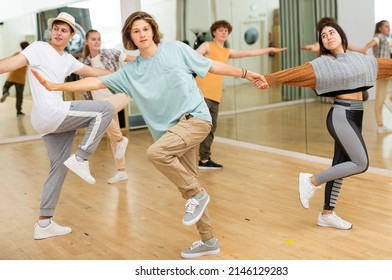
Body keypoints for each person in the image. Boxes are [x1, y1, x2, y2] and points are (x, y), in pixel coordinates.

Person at [31, 11, 267, 258]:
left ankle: (198, 194)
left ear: (153, 31)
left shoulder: (176, 49)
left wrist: (246, 73)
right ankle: (209, 240)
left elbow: (211, 66)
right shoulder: (131, 71)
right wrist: (56, 86)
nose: (141, 34)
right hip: (170, 133)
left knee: (159, 157)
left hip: (195, 119)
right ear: (130, 37)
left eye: (145, 29)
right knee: (188, 189)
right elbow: (94, 83)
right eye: (136, 31)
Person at [255, 22, 392, 229]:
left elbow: (381, 66)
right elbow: (297, 73)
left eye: (331, 32)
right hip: (341, 115)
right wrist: (270, 78)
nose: (328, 36)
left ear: (341, 35)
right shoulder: (324, 63)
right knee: (361, 163)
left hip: (356, 114)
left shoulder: (359, 58)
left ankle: (327, 214)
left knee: (340, 166)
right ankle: (311, 181)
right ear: (322, 43)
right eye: (324, 35)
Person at [0, 12, 129, 240]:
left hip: (47, 121)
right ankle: (81, 158)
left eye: (64, 30)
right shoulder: (38, 48)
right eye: (56, 28)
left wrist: (121, 75)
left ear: (71, 35)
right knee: (105, 109)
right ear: (52, 31)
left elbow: (93, 72)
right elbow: (11, 63)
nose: (58, 32)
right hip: (52, 113)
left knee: (58, 168)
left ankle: (44, 223)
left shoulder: (67, 59)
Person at [195, 20, 287, 170]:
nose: (224, 33)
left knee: (211, 128)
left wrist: (270, 49)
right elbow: (190, 58)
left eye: (226, 30)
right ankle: (185, 156)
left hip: (215, 95)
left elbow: (249, 52)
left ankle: (204, 160)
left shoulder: (227, 51)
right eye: (220, 30)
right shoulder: (207, 46)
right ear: (214, 33)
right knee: (199, 127)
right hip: (201, 93)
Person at [81, 29, 137, 184]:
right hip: (100, 104)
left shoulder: (111, 53)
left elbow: (133, 59)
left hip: (118, 95)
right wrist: (88, 107)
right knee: (113, 137)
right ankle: (121, 171)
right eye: (93, 39)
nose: (97, 42)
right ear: (86, 42)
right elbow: (85, 88)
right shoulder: (84, 64)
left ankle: (121, 139)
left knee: (107, 120)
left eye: (99, 38)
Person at [360, 20, 392, 134]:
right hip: (386, 67)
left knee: (380, 97)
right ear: (380, 28)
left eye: (389, 26)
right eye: (386, 26)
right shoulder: (379, 36)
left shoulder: (385, 40)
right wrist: (364, 49)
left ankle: (380, 126)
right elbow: (373, 42)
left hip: (379, 69)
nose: (389, 28)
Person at [1, 41, 30, 116]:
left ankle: (5, 92)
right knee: (19, 96)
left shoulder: (18, 54)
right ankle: (19, 111)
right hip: (20, 79)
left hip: (12, 76)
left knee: (5, 87)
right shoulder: (29, 57)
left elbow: (9, 60)